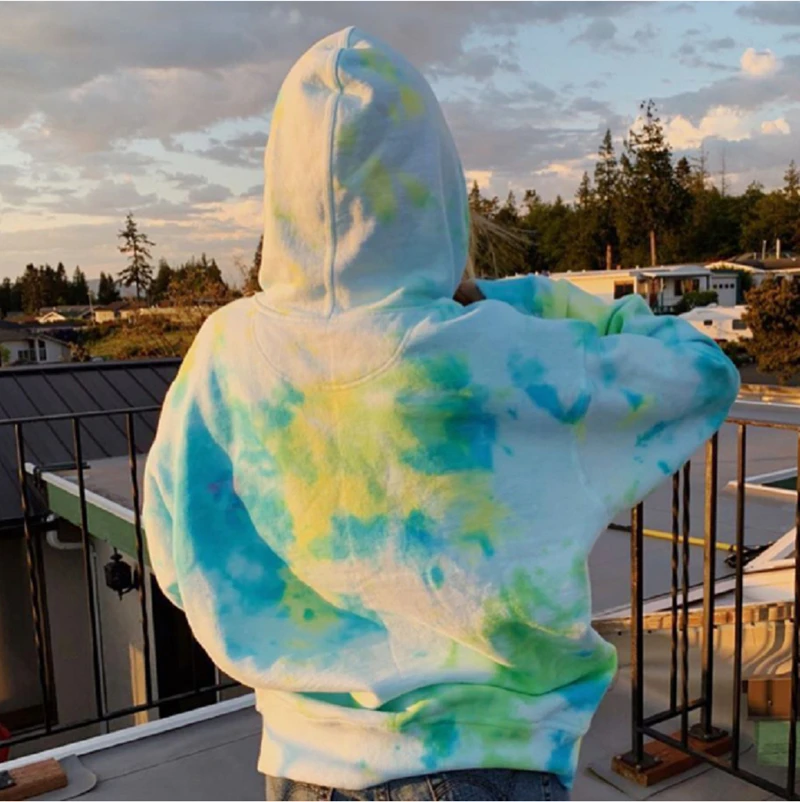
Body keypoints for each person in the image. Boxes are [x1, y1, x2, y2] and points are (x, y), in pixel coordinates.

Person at [142, 27, 740, 802]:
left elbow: (176, 556)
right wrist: (520, 297)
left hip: (300, 767)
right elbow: (699, 371)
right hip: (484, 762)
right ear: (437, 190)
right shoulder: (497, 351)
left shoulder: (225, 352)